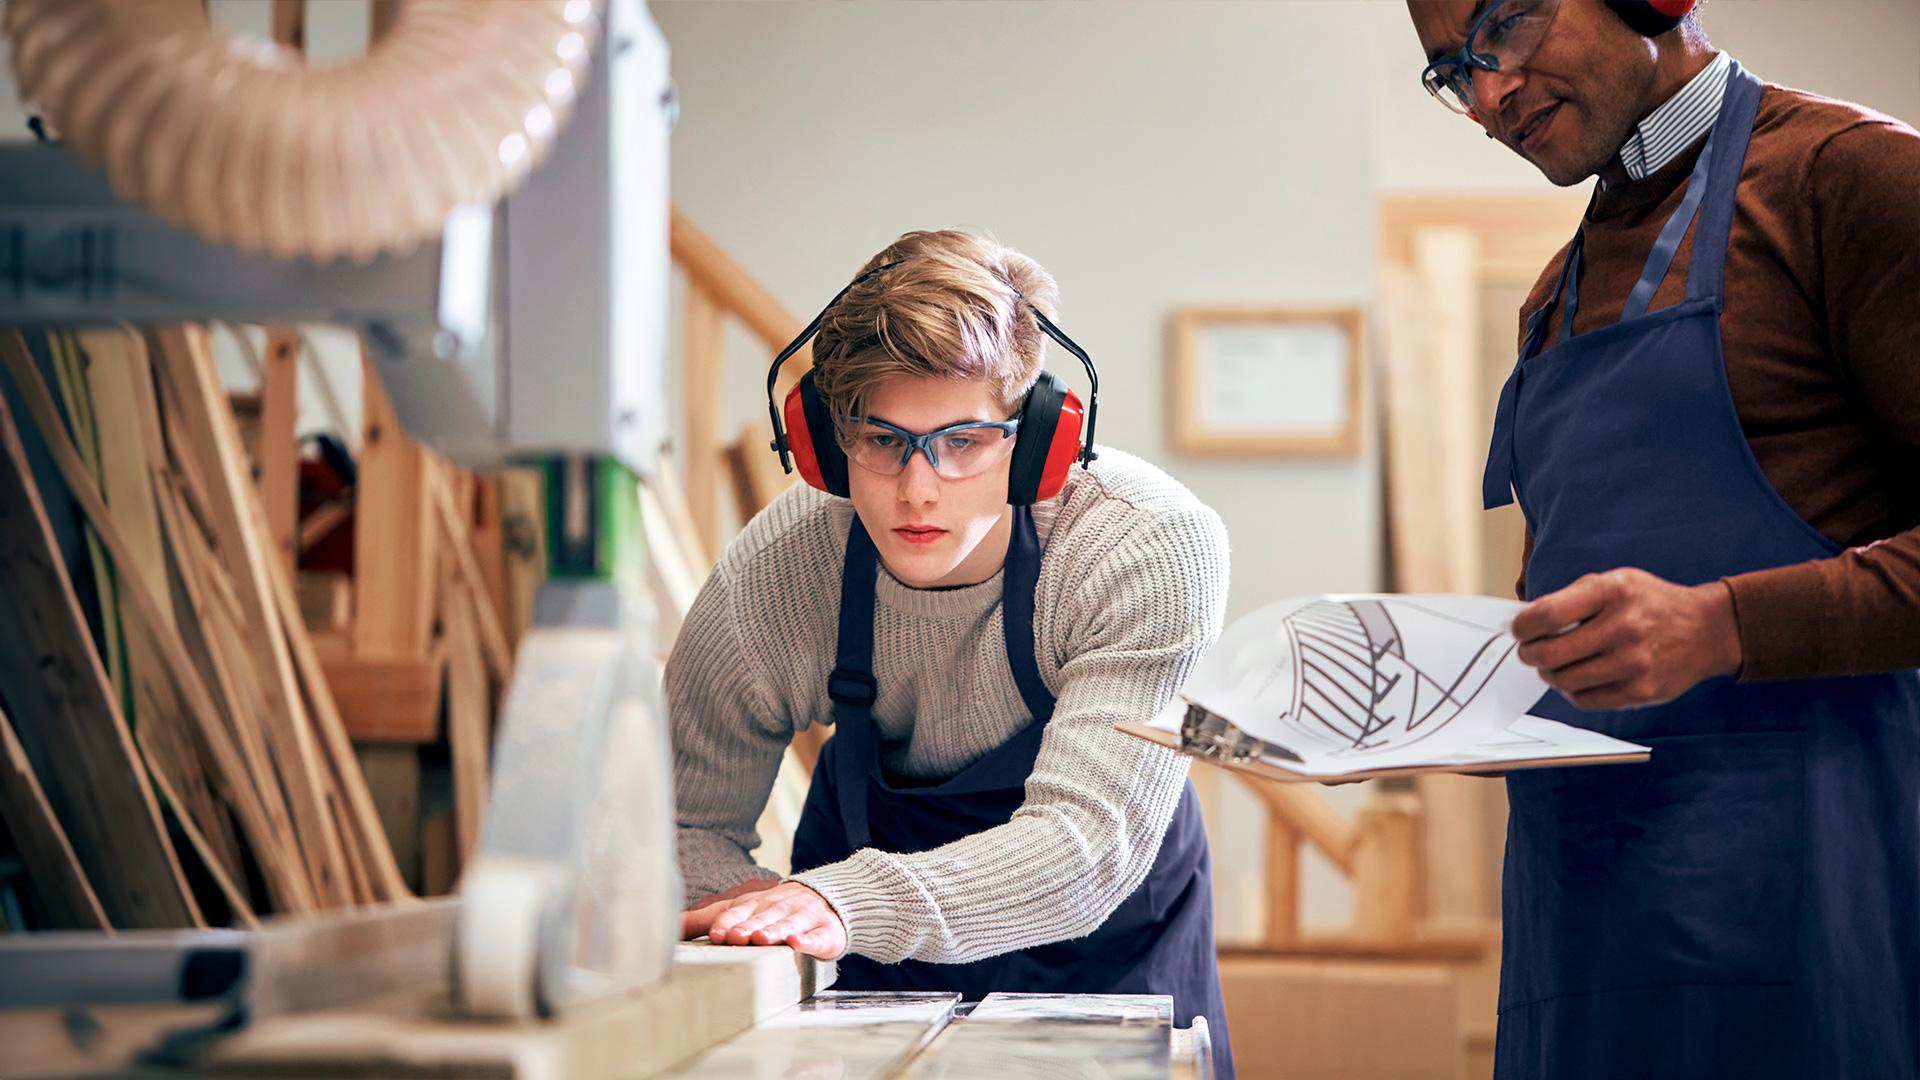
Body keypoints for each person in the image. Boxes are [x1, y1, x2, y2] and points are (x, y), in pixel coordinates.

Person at [1405, 0, 1920, 1076]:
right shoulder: (1553, 296)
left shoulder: (1853, 180)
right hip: (1583, 919)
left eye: (1506, 25)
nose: (1491, 91)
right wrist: (1465, 705)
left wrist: (1725, 626)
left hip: (1817, 914)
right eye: (1455, 68)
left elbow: (1691, 617)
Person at [668, 228, 1235, 1075]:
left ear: (1038, 438)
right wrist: (754, 914)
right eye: (882, 439)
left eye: (963, 440)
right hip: (859, 954)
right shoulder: (781, 574)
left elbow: (1085, 846)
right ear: (824, 444)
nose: (918, 487)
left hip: (1108, 952)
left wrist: (841, 898)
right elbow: (676, 822)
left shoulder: (1145, 546)